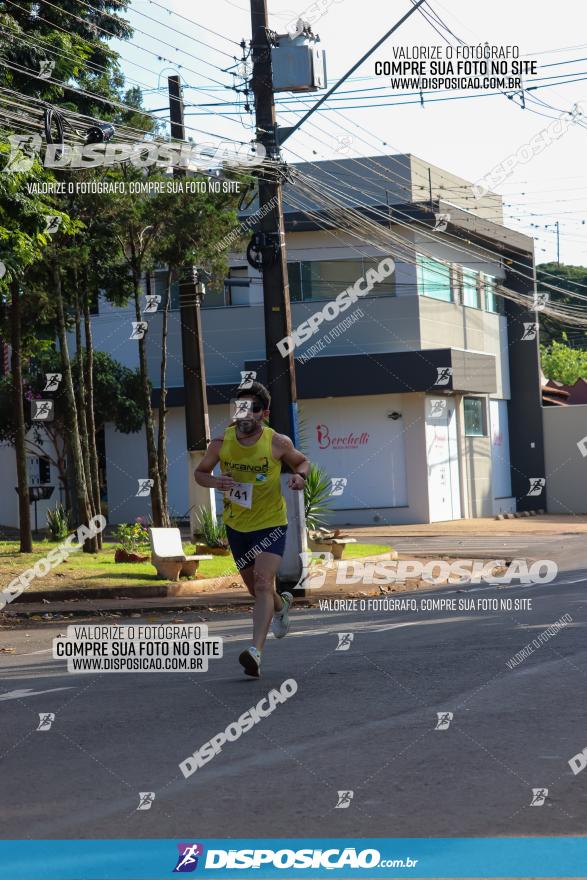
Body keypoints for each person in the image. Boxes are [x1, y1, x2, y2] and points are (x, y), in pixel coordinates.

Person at [195, 381, 309, 677]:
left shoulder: (277, 442)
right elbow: (200, 473)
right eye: (241, 407)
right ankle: (281, 604)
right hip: (237, 525)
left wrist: (300, 478)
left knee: (261, 583)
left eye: (253, 408)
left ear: (264, 413)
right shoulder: (221, 443)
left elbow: (302, 463)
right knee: (256, 589)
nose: (246, 413)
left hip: (271, 523)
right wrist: (215, 481)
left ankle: (255, 652)